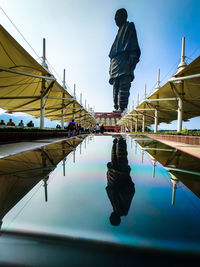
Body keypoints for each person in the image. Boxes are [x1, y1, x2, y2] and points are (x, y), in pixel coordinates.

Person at [109, 8, 140, 113]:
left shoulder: (129, 26)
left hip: (125, 61)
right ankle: (116, 106)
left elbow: (133, 42)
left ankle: (122, 107)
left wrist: (133, 56)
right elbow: (112, 53)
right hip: (116, 63)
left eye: (117, 16)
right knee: (115, 87)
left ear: (123, 16)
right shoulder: (118, 33)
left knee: (124, 85)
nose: (115, 19)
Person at [106, 136, 135, 226]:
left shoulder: (116, 208)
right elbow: (130, 191)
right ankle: (121, 140)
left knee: (115, 158)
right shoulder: (122, 209)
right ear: (114, 218)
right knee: (121, 156)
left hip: (115, 176)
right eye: (112, 217)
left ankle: (115, 143)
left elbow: (110, 190)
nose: (111, 215)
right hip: (121, 176)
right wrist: (118, 189)